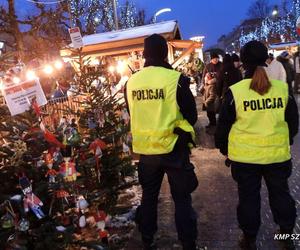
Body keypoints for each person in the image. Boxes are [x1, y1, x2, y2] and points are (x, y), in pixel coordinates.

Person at [215, 41, 299, 250]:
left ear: (242, 62)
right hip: (277, 156)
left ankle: (250, 239)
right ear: (265, 59)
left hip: (245, 159)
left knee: (248, 199)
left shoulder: (236, 92)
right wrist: (285, 141)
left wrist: (225, 149)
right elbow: (293, 122)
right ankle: (285, 236)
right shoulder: (282, 89)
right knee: (281, 195)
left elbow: (223, 127)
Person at [125, 34, 199, 250]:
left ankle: (147, 238)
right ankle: (188, 242)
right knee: (182, 199)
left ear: (144, 54)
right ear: (165, 53)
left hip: (146, 151)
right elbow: (191, 115)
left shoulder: (131, 82)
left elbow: (132, 112)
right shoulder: (175, 79)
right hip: (173, 147)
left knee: (149, 198)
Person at [201, 52, 222, 131]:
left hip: (218, 90)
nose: (215, 60)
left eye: (216, 58)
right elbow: (203, 76)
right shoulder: (208, 66)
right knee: (209, 108)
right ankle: (212, 122)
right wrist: (205, 82)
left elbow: (222, 76)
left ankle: (220, 123)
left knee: (219, 107)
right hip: (209, 90)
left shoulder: (221, 65)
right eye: (214, 59)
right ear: (211, 59)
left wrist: (215, 79)